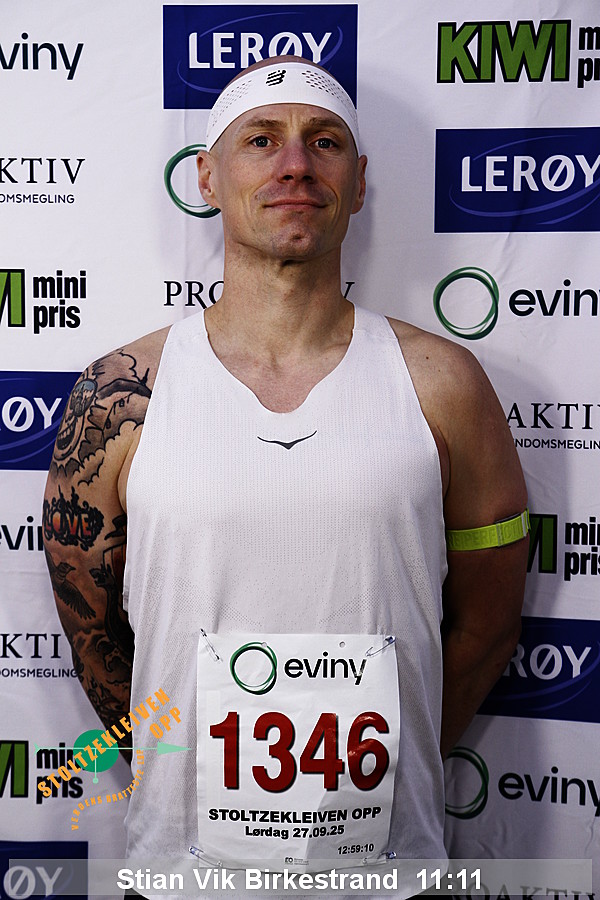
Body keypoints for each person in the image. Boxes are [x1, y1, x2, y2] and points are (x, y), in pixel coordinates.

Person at [44, 55, 529, 897]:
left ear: (359, 182)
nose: (296, 164)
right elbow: (92, 633)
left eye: (324, 141)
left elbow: (487, 627)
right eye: (261, 140)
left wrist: (396, 755)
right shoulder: (120, 394)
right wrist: (176, 760)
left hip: (386, 872)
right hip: (183, 873)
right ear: (206, 177)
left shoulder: (445, 383)